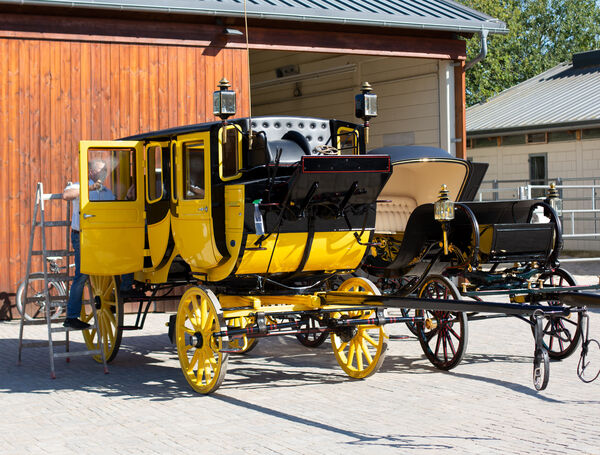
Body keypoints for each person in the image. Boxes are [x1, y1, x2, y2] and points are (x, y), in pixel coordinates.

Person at [62, 159, 115, 329]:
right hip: (82, 237)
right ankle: (71, 317)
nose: (104, 172)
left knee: (112, 267)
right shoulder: (81, 185)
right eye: (101, 170)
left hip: (101, 238)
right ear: (92, 172)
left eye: (105, 170)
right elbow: (66, 195)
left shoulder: (107, 192)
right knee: (82, 275)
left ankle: (113, 300)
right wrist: (90, 188)